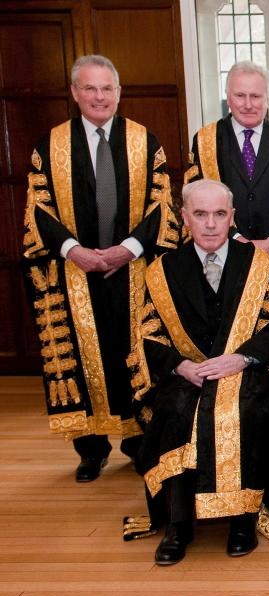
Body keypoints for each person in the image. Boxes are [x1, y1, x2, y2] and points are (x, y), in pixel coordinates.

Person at [22, 54, 179, 482]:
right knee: (81, 352)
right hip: (74, 272)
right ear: (74, 93)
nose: (99, 96)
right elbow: (38, 208)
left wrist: (127, 249)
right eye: (89, 88)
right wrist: (75, 250)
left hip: (133, 268)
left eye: (107, 88)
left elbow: (162, 205)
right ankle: (90, 449)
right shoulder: (49, 146)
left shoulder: (144, 142)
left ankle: (137, 441)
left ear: (119, 92)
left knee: (133, 350)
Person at [128, 179, 269, 566]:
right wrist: (180, 366)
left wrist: (243, 358)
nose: (211, 224)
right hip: (188, 372)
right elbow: (147, 332)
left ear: (232, 217)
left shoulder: (260, 264)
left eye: (220, 214)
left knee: (245, 409)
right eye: (200, 214)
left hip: (246, 369)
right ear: (185, 218)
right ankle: (178, 524)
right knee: (176, 411)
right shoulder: (161, 271)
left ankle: (241, 519)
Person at [184, 61, 269, 256]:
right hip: (224, 253)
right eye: (240, 96)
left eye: (256, 96)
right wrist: (236, 239)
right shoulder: (205, 140)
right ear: (228, 98)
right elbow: (196, 201)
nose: (248, 104)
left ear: (267, 99)